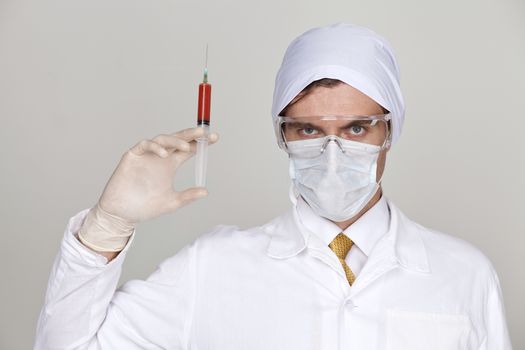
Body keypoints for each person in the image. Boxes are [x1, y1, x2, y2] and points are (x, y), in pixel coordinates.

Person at [34, 23, 512, 350]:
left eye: (356, 129)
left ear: (391, 131)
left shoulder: (463, 274)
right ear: (281, 135)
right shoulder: (214, 267)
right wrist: (106, 229)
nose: (332, 151)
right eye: (308, 130)